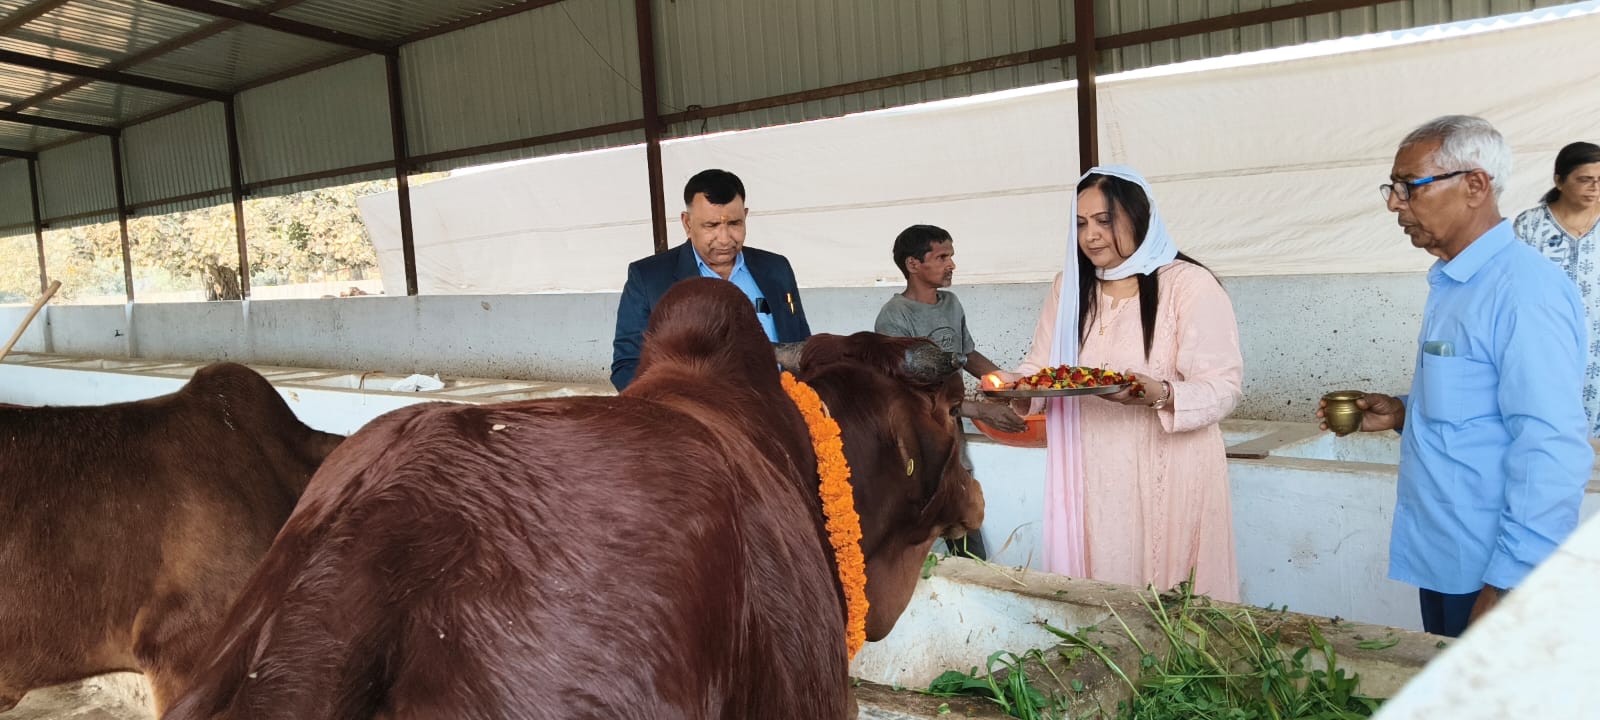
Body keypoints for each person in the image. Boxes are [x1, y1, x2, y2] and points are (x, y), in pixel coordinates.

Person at [1318, 115, 1592, 638]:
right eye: (1392, 188)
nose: (1395, 203)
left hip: (1493, 567)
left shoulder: (1522, 291)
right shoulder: (1457, 282)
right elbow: (1480, 405)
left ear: (1475, 186)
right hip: (1448, 555)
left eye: (1410, 186)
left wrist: (1510, 583)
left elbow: (1551, 447)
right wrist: (1405, 411)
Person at [994, 166, 1242, 601]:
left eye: (1104, 221)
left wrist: (1162, 394)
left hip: (1170, 466)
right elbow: (1042, 367)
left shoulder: (1187, 285)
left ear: (1139, 217)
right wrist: (1011, 384)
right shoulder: (1069, 288)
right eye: (1081, 224)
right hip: (1090, 468)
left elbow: (1224, 387)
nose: (1090, 236)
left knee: (1170, 596)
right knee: (1101, 589)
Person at [874, 224, 1026, 560]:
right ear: (913, 264)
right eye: (942, 257)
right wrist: (979, 409)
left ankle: (975, 577)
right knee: (919, 534)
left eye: (951, 256)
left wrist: (1012, 384)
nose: (951, 264)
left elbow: (967, 355)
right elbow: (908, 393)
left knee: (964, 526)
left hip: (950, 439)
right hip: (915, 444)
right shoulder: (894, 317)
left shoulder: (952, 304)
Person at [611, 169, 810, 390]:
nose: (724, 239)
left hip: (781, 405)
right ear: (687, 223)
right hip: (694, 410)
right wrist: (680, 405)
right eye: (711, 225)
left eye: (734, 223)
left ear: (745, 216)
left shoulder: (776, 269)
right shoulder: (649, 279)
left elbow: (803, 347)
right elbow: (627, 365)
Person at [1513, 141, 1600, 436]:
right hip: (1545, 342)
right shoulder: (1530, 226)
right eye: (1585, 179)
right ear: (1559, 181)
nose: (1594, 188)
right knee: (1549, 424)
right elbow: (1516, 287)